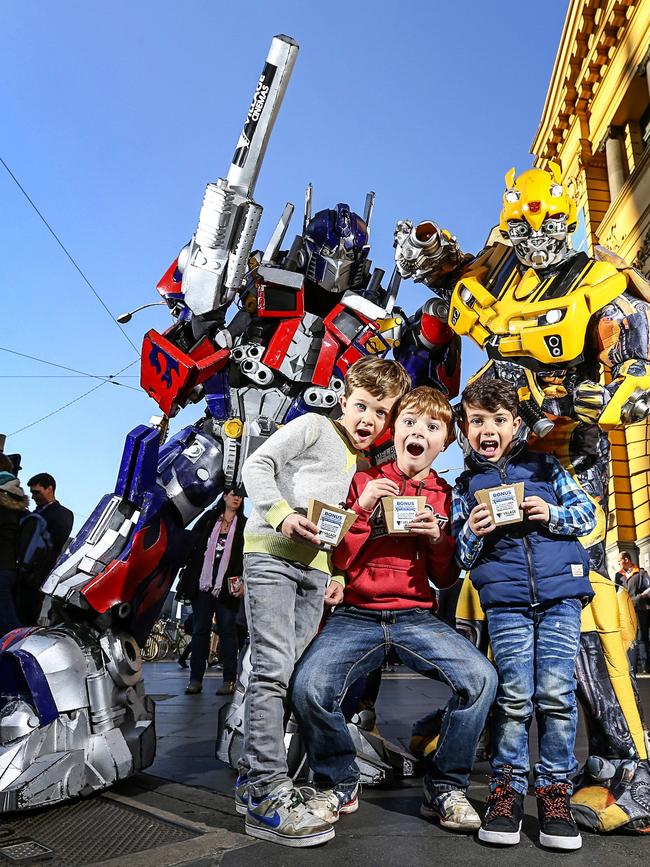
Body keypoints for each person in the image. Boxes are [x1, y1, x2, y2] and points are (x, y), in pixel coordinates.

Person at [291, 386, 497, 833]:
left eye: (432, 427)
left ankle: (445, 788)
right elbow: (339, 558)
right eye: (409, 422)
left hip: (415, 617)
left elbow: (444, 578)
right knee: (308, 687)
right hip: (356, 614)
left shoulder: (445, 494)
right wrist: (362, 510)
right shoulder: (362, 481)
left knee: (481, 679)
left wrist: (437, 539)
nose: (418, 432)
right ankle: (338, 783)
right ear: (394, 430)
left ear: (444, 443)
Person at [237, 355, 411, 848]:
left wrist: (332, 570)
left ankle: (262, 781)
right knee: (271, 670)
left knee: (291, 676)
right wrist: (280, 514)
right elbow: (257, 464)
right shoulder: (313, 425)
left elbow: (332, 523)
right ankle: (263, 790)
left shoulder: (356, 462)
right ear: (344, 396)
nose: (368, 420)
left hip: (313, 572)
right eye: (362, 406)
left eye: (381, 413)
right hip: (272, 556)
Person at [452, 379, 597, 851]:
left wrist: (550, 512)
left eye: (497, 420)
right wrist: (473, 532)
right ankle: (506, 793)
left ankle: (555, 792)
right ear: (465, 428)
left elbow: (588, 517)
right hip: (507, 600)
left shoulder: (545, 464)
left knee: (556, 693)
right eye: (477, 421)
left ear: (515, 424)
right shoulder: (464, 485)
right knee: (514, 696)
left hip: (560, 596)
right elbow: (460, 556)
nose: (487, 429)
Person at [175, 489, 246, 695]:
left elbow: (247, 555)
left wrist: (243, 580)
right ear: (224, 497)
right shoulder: (209, 519)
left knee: (227, 631)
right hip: (202, 581)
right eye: (233, 494)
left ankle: (229, 680)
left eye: (240, 496)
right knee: (199, 631)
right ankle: (195, 679)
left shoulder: (244, 524)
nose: (236, 498)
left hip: (227, 584)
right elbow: (191, 542)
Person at [0, 455, 29, 636]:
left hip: (1, 569)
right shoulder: (14, 497)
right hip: (9, 566)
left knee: (11, 627)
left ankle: (24, 656)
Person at [615, 551, 650, 674]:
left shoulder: (641, 572)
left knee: (642, 638)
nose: (618, 564)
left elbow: (649, 587)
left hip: (640, 610)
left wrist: (642, 595)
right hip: (625, 611)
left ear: (626, 559)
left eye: (619, 561)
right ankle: (632, 666)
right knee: (629, 638)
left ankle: (646, 666)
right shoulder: (618, 576)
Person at [27, 472, 73, 559]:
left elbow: (53, 545)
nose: (33, 497)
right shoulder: (35, 513)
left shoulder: (63, 514)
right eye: (32, 493)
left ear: (49, 489)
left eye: (36, 492)